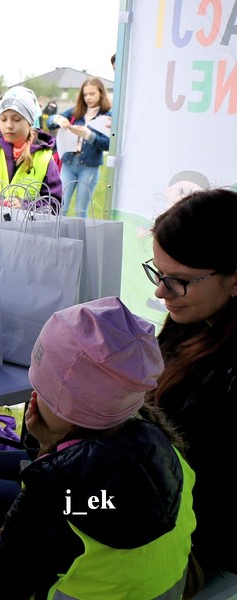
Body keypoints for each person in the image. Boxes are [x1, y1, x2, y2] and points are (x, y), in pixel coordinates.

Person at [0, 297, 197, 599]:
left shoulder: (55, 493)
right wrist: (49, 448)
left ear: (65, 406)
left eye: (42, 389)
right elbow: (95, 499)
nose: (35, 394)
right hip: (164, 590)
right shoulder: (165, 447)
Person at [144, 188, 237, 581]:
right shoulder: (195, 323)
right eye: (158, 273)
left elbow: (209, 498)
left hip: (184, 537)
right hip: (142, 499)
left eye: (178, 281)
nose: (160, 291)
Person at [0, 85, 62, 207]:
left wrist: (25, 206)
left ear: (29, 122)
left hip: (31, 225)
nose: (9, 125)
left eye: (16, 119)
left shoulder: (45, 159)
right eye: (3, 119)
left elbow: (54, 204)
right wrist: (1, 206)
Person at [49, 78, 112, 217]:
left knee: (80, 211)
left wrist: (88, 135)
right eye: (85, 94)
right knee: (60, 207)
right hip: (69, 165)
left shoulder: (108, 116)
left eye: (92, 94)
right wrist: (59, 120)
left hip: (89, 167)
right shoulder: (76, 112)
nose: (88, 98)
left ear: (101, 93)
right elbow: (50, 121)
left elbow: (108, 143)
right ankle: (55, 238)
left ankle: (80, 239)